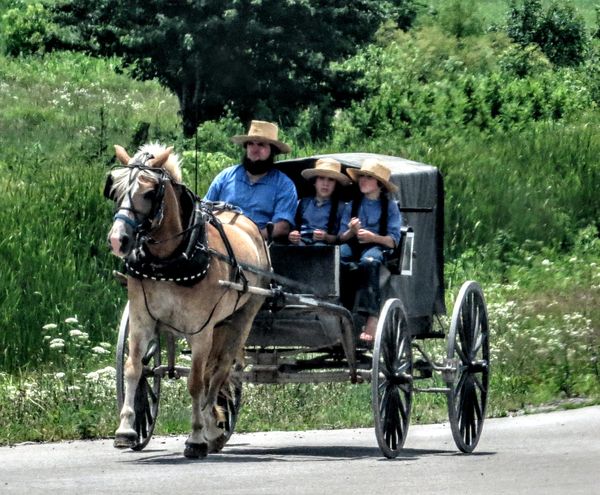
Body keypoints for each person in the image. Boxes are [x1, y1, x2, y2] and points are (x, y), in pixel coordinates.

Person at [337, 159, 402, 343]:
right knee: (338, 257)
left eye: (368, 178)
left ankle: (372, 317)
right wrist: (352, 231)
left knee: (369, 261)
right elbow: (341, 237)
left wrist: (373, 238)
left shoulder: (390, 207)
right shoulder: (352, 206)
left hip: (377, 247)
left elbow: (393, 241)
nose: (363, 181)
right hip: (353, 245)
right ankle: (343, 308)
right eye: (362, 177)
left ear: (379, 184)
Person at [204, 120, 297, 240]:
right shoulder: (225, 177)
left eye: (261, 145)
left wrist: (250, 240)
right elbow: (204, 209)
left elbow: (282, 227)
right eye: (251, 144)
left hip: (258, 249)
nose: (254, 149)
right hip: (219, 243)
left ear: (273, 150)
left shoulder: (284, 185)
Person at [288, 158, 351, 245]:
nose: (326, 184)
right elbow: (291, 228)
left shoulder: (342, 207)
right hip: (300, 244)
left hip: (324, 249)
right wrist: (292, 235)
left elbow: (341, 238)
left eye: (331, 179)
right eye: (321, 178)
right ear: (315, 181)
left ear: (336, 184)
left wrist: (326, 237)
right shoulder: (302, 203)